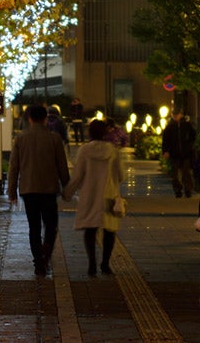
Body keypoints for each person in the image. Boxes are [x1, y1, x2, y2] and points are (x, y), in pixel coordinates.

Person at [7, 103, 71, 276]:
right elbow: (62, 167)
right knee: (51, 226)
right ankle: (46, 254)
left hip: (28, 190)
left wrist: (11, 192)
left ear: (29, 118)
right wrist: (67, 187)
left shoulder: (20, 139)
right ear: (45, 118)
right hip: (49, 190)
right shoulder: (54, 138)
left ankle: (38, 263)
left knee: (33, 227)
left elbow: (14, 167)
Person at [63, 119, 127, 277]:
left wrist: (67, 193)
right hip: (109, 195)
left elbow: (77, 175)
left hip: (90, 195)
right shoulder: (113, 150)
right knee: (109, 231)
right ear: (105, 132)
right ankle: (105, 264)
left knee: (90, 231)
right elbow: (122, 175)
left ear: (89, 132)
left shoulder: (84, 150)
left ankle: (92, 263)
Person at [162, 110, 198, 198]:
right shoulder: (170, 126)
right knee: (175, 174)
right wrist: (165, 151)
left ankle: (188, 190)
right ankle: (177, 190)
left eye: (177, 114)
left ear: (181, 115)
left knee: (186, 172)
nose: (175, 116)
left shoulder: (186, 125)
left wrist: (189, 145)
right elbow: (165, 140)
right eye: (174, 114)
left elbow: (193, 136)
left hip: (186, 153)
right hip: (174, 154)